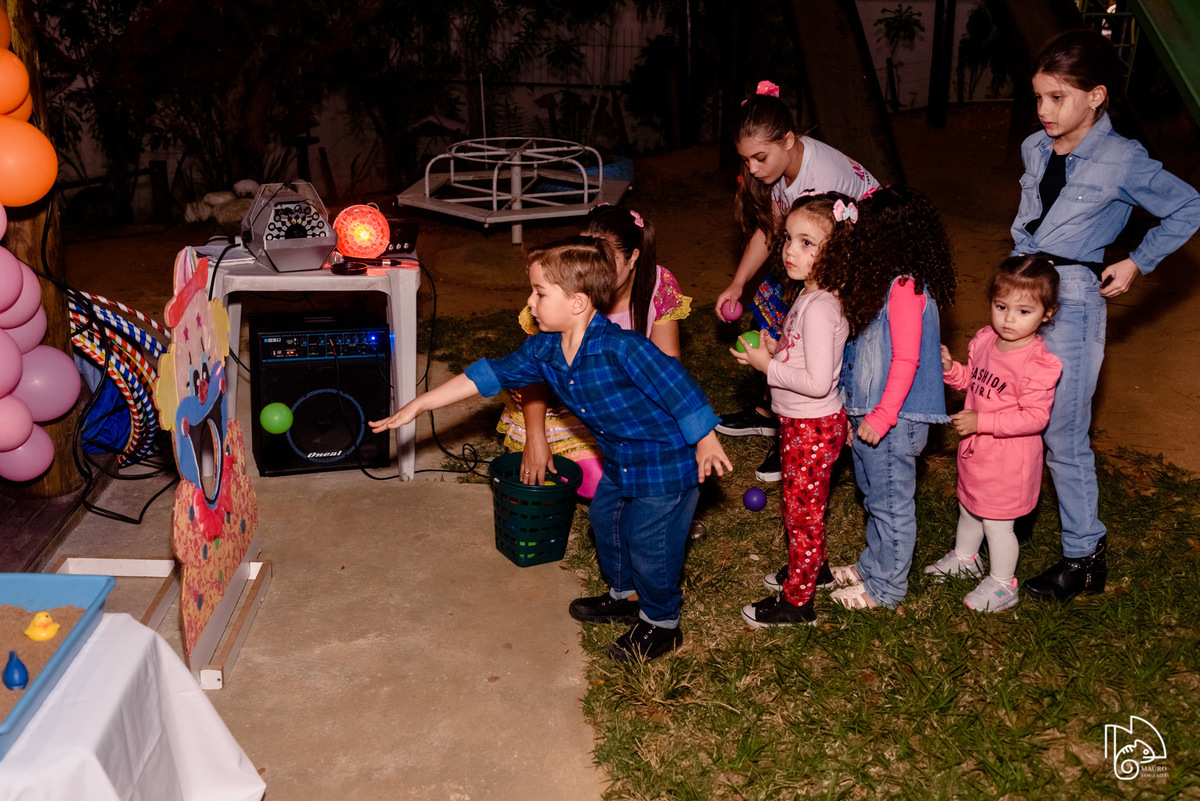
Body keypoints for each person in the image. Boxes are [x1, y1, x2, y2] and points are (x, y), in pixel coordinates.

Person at [370, 237, 731, 661]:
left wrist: (705, 438)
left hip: (665, 463)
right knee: (605, 519)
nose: (531, 301)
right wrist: (420, 403)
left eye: (540, 292)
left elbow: (678, 386)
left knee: (649, 542)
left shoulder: (622, 348)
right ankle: (624, 595)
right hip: (619, 460)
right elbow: (488, 375)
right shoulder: (544, 350)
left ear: (577, 303)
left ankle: (661, 623)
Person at [1012, 29, 1200, 601]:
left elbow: (1189, 205)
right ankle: (1007, 521)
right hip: (1022, 292)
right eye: (1038, 97)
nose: (1043, 111)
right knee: (1016, 412)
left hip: (1074, 302)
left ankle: (1083, 558)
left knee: (1063, 436)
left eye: (1056, 98)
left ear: (1095, 96)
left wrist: (1136, 262)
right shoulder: (1034, 147)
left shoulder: (1123, 159)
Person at [713, 80, 879, 483]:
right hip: (823, 252)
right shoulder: (784, 169)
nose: (752, 169)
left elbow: (828, 249)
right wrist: (738, 284)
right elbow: (771, 228)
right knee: (768, 302)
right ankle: (769, 412)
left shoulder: (819, 181)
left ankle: (800, 432)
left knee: (804, 331)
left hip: (864, 258)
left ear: (788, 140)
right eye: (745, 159)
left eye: (759, 157)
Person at [809, 185, 957, 610]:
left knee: (891, 505)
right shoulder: (881, 284)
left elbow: (907, 360)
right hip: (869, 416)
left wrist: (881, 416)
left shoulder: (906, 288)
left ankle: (887, 588)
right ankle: (873, 565)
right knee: (875, 497)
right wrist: (855, 416)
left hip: (892, 419)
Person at [498, 205, 692, 499]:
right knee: (596, 482)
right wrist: (535, 439)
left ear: (633, 257)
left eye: (604, 258)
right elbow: (532, 374)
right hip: (562, 403)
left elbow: (669, 369)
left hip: (621, 402)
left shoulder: (657, 285)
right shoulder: (563, 291)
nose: (592, 268)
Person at [730, 193, 852, 626]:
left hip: (812, 425)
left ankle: (797, 603)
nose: (789, 251)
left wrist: (769, 368)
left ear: (835, 253)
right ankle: (812, 571)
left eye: (807, 243)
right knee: (804, 506)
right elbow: (803, 355)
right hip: (802, 424)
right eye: (788, 240)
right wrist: (774, 350)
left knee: (802, 515)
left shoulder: (819, 307)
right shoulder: (810, 295)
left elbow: (819, 383)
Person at [925, 255, 1062, 612]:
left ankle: (1003, 584)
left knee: (998, 525)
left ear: (1047, 313)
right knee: (970, 507)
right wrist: (951, 370)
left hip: (1009, 462)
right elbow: (975, 380)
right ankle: (966, 558)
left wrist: (981, 422)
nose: (1008, 319)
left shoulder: (1038, 363)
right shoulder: (986, 340)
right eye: (1001, 306)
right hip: (977, 453)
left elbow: (1033, 417)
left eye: (1023, 311)